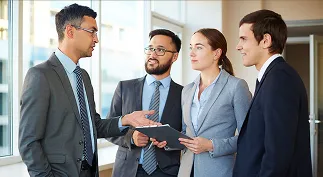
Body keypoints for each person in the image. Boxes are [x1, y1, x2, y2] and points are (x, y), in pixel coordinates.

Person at [18, 4, 157, 177]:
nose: (96, 39)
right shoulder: (40, 75)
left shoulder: (82, 76)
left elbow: (93, 126)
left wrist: (126, 119)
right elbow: (28, 141)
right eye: (92, 31)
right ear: (70, 31)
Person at [233, 9, 312, 177]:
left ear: (265, 40)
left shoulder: (279, 79)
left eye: (243, 39)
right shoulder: (271, 76)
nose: (238, 46)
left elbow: (278, 152)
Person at [106, 29, 183, 177]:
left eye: (160, 50)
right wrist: (131, 138)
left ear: (174, 57)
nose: (152, 54)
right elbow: (108, 128)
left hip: (166, 172)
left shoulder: (184, 94)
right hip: (127, 171)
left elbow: (187, 135)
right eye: (150, 49)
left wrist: (169, 142)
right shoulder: (125, 88)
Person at [177, 28, 251, 177]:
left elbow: (249, 137)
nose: (191, 53)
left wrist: (212, 145)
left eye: (198, 47)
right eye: (191, 47)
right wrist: (167, 140)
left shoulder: (236, 86)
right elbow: (186, 133)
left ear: (216, 53)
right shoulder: (187, 90)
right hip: (186, 171)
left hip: (219, 171)